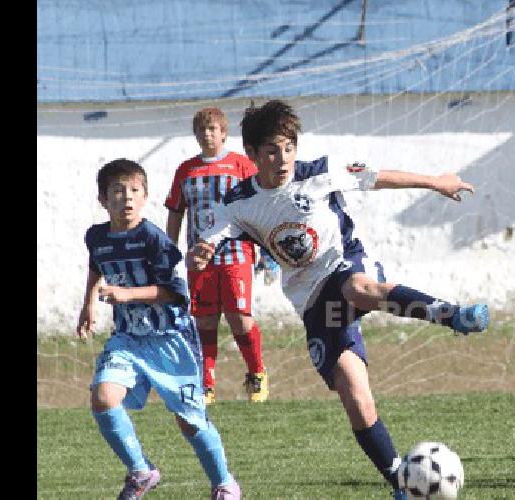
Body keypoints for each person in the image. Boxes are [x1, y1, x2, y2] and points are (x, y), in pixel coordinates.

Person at [189, 100, 490, 499]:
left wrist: (435, 181)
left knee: (357, 288)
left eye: (289, 148)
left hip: (346, 263)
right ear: (253, 155)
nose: (283, 159)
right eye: (272, 151)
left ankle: (449, 315)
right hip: (311, 298)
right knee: (355, 397)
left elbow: (379, 178)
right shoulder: (239, 202)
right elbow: (208, 238)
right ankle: (400, 481)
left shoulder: (320, 173)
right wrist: (200, 252)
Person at [77, 159, 241, 499]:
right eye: (118, 191)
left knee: (189, 422)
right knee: (103, 397)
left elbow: (176, 295)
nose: (127, 198)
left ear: (145, 196)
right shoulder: (96, 237)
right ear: (102, 200)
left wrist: (127, 294)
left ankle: (224, 483)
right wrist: (88, 304)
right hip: (128, 339)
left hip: (171, 340)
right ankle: (141, 471)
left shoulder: (155, 240)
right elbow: (97, 267)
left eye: (135, 191)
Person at [165, 107, 274, 404]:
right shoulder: (186, 170)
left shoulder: (241, 165)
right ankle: (206, 385)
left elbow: (262, 207)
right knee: (205, 320)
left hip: (236, 251)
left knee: (239, 317)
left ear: (224, 133)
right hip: (199, 257)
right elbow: (176, 212)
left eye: (213, 129)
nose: (207, 134)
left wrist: (269, 252)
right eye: (202, 129)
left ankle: (257, 374)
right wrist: (170, 252)